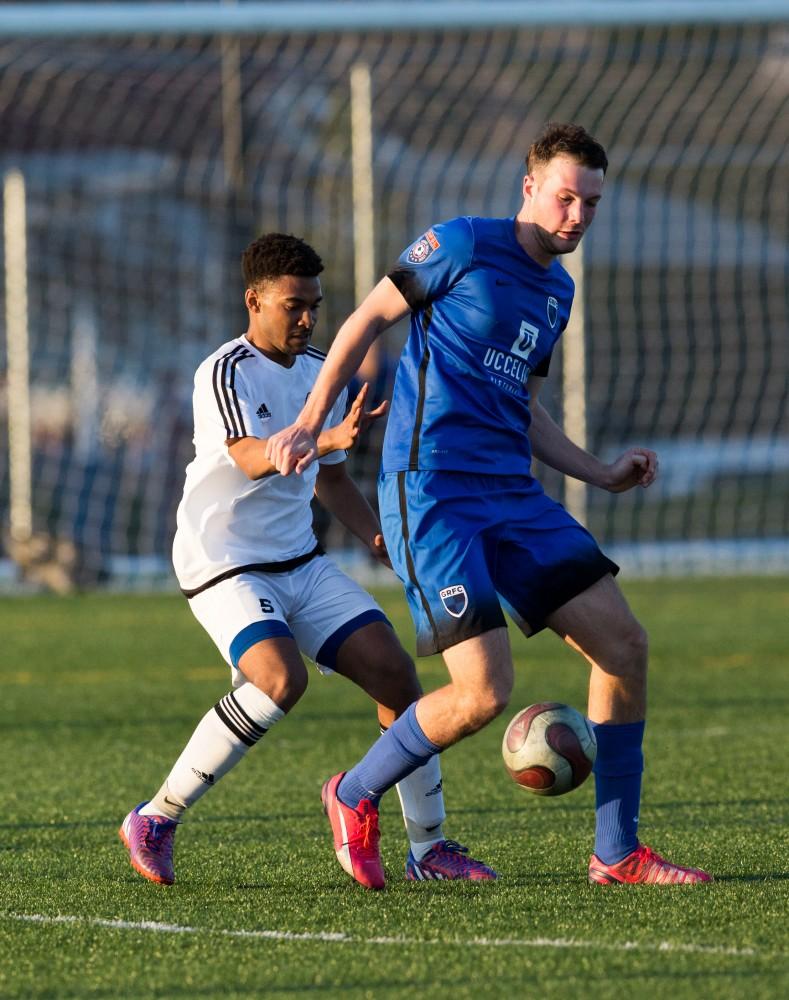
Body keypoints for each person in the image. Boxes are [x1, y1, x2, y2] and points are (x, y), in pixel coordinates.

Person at [265, 124, 712, 887]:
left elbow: (523, 408)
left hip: (511, 492)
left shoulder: (556, 291)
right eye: (565, 196)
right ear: (529, 188)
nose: (576, 215)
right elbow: (365, 320)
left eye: (590, 203)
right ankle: (351, 792)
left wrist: (599, 474)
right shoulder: (459, 244)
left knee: (624, 647)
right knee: (482, 693)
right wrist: (310, 419)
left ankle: (616, 852)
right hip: (431, 490)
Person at [118, 233, 495, 888]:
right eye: (293, 304)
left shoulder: (323, 368)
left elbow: (331, 479)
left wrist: (379, 538)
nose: (306, 318)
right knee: (277, 680)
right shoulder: (224, 370)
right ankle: (156, 816)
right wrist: (322, 437)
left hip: (298, 558)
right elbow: (252, 458)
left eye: (314, 306)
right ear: (254, 300)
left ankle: (427, 849)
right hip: (225, 560)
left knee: (398, 679)